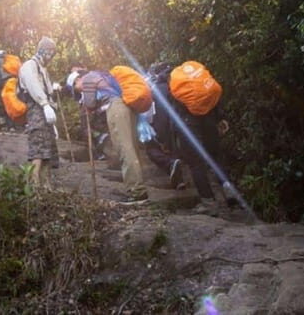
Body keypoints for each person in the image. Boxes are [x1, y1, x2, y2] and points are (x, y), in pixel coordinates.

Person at [148, 61, 229, 216]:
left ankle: (208, 202)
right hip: (209, 117)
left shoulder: (164, 86)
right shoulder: (190, 75)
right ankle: (229, 190)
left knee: (196, 163)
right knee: (215, 156)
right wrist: (221, 117)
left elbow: (164, 117)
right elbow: (211, 94)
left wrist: (165, 140)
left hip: (188, 122)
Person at [69, 69, 149, 202]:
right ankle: (139, 186)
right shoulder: (101, 75)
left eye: (77, 89)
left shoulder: (88, 78)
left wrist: (85, 107)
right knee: (131, 147)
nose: (80, 92)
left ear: (77, 80)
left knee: (124, 148)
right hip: (128, 108)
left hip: (116, 108)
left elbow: (90, 103)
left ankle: (137, 191)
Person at [18, 37, 59, 187]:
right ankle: (34, 186)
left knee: (47, 149)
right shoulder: (30, 65)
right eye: (50, 52)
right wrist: (44, 104)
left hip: (46, 110)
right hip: (37, 109)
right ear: (42, 50)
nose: (51, 56)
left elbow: (46, 90)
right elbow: (33, 86)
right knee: (38, 149)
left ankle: (46, 187)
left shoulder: (43, 69)